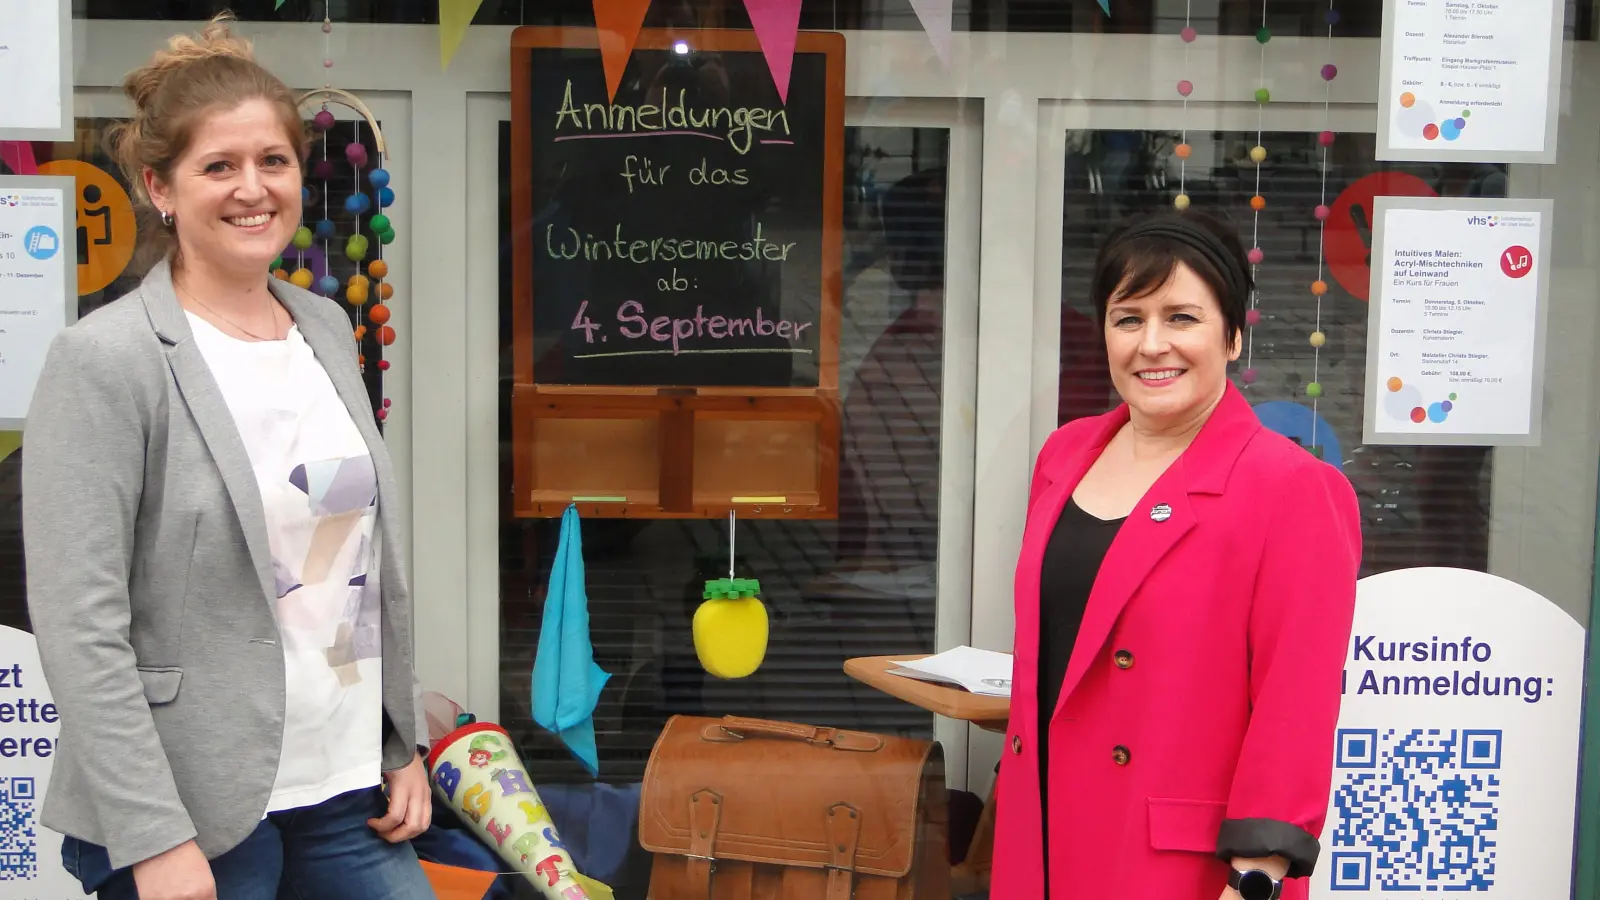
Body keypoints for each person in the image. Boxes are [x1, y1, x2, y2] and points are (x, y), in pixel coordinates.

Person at [22, 16, 434, 900]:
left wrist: (401, 741)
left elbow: (351, 564)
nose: (253, 189)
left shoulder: (326, 326)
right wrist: (154, 836)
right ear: (160, 189)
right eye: (219, 166)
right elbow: (80, 624)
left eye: (273, 161)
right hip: (195, 804)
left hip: (345, 787)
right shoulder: (107, 360)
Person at [990, 209, 1362, 900]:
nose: (1150, 345)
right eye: (1127, 318)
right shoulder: (1065, 454)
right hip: (1039, 840)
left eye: (1181, 318)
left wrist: (1257, 879)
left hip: (1176, 867)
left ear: (1233, 336)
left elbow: (1295, 708)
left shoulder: (1292, 489)